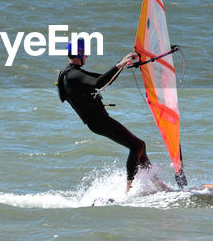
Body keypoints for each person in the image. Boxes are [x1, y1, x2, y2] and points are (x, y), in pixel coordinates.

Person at [57, 39, 152, 192]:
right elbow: (98, 83)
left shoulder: (72, 73)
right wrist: (120, 65)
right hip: (99, 121)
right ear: (79, 53)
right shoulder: (73, 75)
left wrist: (122, 63)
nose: (87, 56)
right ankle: (129, 191)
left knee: (140, 146)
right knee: (136, 146)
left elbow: (105, 79)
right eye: (85, 53)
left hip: (98, 122)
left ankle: (155, 183)